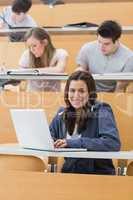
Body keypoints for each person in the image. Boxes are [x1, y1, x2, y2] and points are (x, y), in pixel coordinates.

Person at [49, 71, 121, 175]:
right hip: (69, 174)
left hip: (97, 176)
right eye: (72, 91)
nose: (76, 95)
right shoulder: (62, 113)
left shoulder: (102, 110)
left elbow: (112, 143)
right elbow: (48, 138)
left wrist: (73, 143)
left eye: (81, 91)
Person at [76, 20, 133, 92]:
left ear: (117, 40)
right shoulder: (87, 48)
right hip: (89, 91)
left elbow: (120, 87)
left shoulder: (129, 57)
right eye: (99, 42)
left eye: (106, 44)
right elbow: (80, 69)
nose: (101, 47)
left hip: (113, 92)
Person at [19, 27, 68, 91]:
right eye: (29, 47)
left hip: (53, 97)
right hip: (32, 97)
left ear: (45, 42)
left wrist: (32, 71)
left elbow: (59, 70)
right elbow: (21, 73)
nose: (32, 50)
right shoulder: (26, 54)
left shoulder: (60, 53)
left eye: (34, 45)